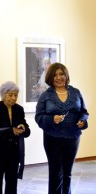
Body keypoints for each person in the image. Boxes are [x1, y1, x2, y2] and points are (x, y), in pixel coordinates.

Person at [35, 63, 89, 194]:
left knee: (67, 173)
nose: (58, 77)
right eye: (55, 75)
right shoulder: (45, 96)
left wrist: (82, 120)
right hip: (52, 139)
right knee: (55, 174)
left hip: (73, 138)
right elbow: (38, 117)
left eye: (61, 74)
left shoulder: (76, 92)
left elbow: (84, 112)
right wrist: (51, 119)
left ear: (66, 75)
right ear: (50, 77)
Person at [0, 81, 31, 194]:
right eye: (10, 95)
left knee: (12, 183)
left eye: (16, 95)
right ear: (3, 95)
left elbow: (27, 131)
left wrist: (23, 127)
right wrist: (12, 131)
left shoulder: (19, 109)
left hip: (13, 153)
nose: (13, 98)